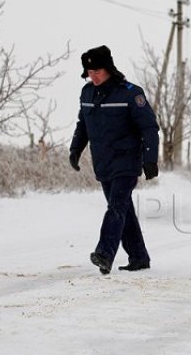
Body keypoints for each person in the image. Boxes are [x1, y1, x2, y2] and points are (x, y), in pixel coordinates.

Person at [69, 45, 160, 274]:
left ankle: (104, 253)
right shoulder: (87, 93)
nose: (93, 75)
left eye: (97, 70)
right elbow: (83, 126)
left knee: (116, 207)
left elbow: (149, 127)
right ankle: (139, 256)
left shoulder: (130, 93)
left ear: (108, 68)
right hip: (103, 161)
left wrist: (150, 158)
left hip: (127, 161)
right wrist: (75, 150)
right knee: (123, 209)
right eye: (89, 72)